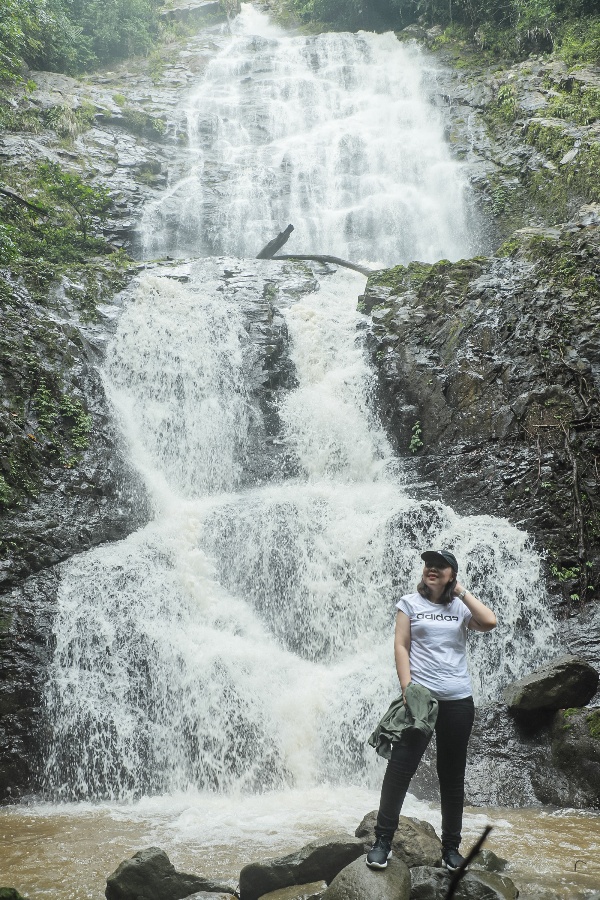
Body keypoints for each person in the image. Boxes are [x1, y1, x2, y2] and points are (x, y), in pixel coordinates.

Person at [366, 549, 497, 872]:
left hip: (458, 700)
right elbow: (401, 644)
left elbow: (490, 622)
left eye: (440, 566)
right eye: (429, 565)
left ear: (452, 574)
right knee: (400, 769)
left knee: (452, 776)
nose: (432, 569)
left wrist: (462, 592)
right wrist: (407, 687)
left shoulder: (460, 608)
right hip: (421, 699)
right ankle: (383, 842)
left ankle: (451, 848)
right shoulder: (409, 603)